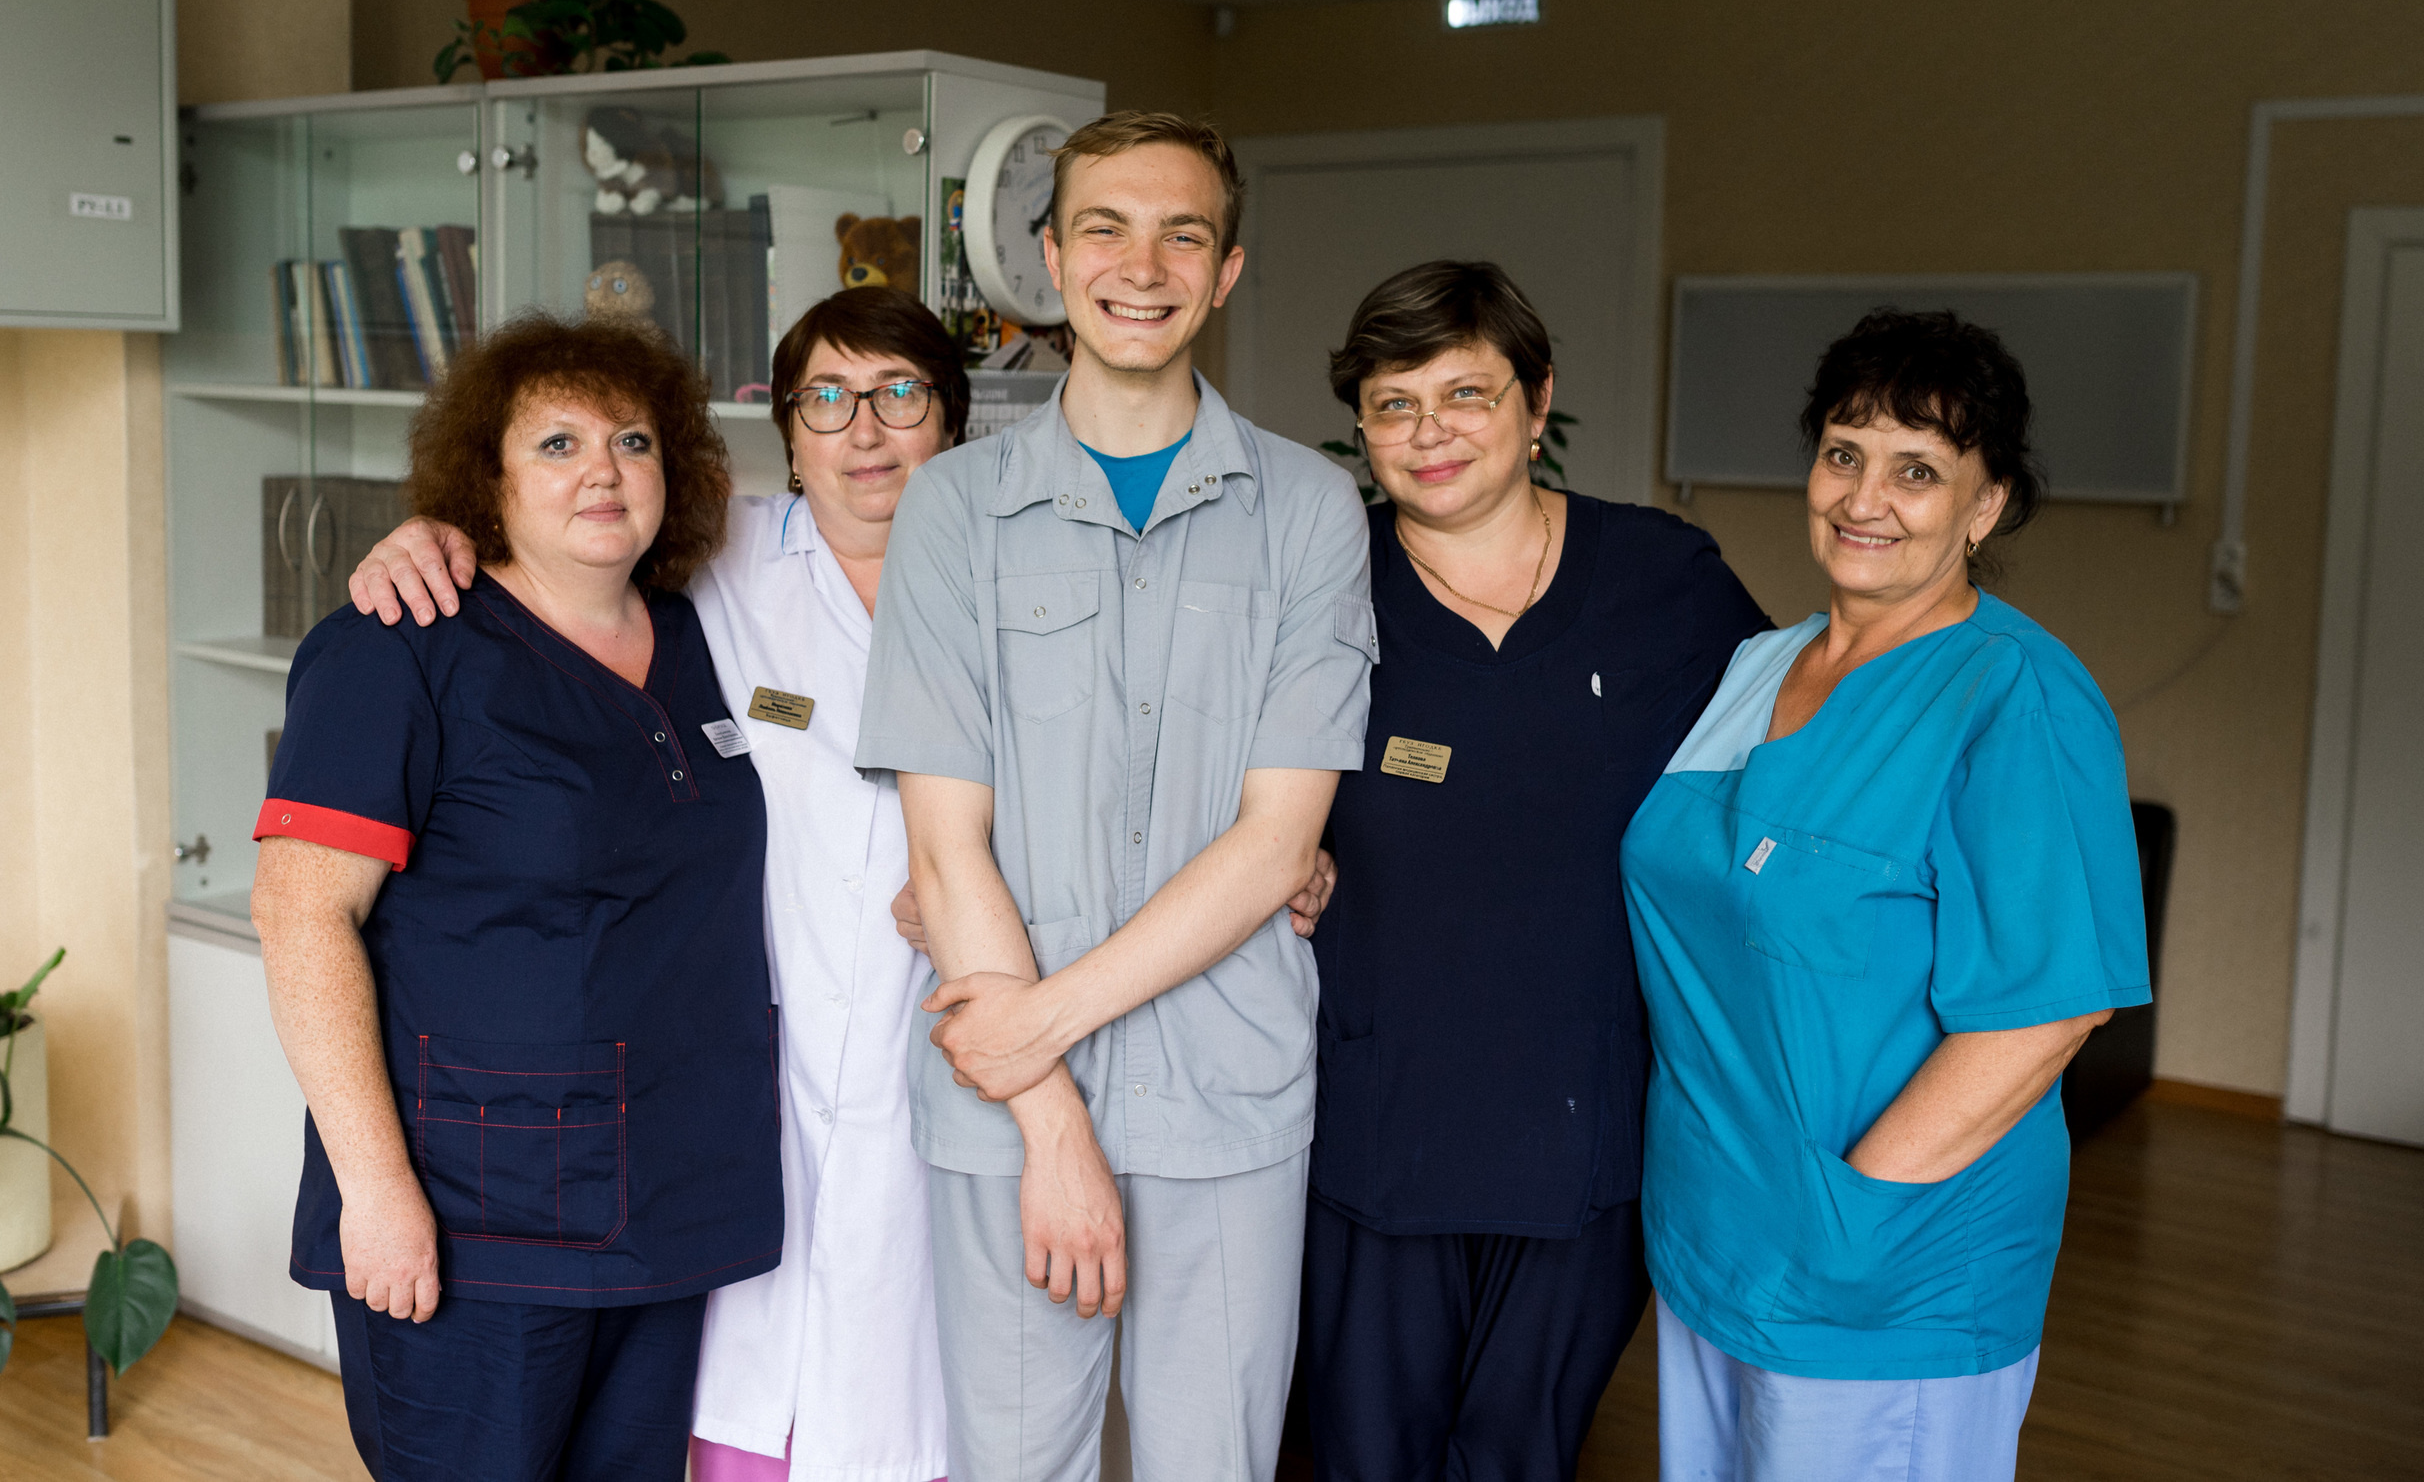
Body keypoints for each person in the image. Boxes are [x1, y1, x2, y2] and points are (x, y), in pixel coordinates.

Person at [345, 285, 974, 1482]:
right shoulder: (723, 558)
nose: (865, 429)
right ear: (784, 428)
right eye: (827, 397)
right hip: (712, 1106)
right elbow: (556, 534)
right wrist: (428, 531)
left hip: (900, 1071)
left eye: (901, 393)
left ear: (951, 417)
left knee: (912, 1404)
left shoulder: (1020, 582)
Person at [855, 110, 1375, 1482]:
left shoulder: (1308, 510)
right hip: (1003, 1113)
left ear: (1226, 270)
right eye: (1105, 228)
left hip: (1227, 1096)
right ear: (1050, 256)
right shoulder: (953, 508)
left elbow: (1278, 841)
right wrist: (1049, 1114)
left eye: (1181, 235)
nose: (1141, 267)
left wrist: (1036, 1024)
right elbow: (945, 848)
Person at [1620, 309, 2153, 1481]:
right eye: (1843, 453)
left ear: (1984, 504)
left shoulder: (2011, 694)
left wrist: (1845, 1217)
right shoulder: (1757, 664)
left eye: (1917, 469)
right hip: (1716, 1233)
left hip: (1882, 1271)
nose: (1865, 497)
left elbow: (2046, 1011)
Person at [250, 314, 780, 1482]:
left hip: (667, 1200)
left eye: (633, 440)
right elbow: (299, 915)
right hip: (473, 1213)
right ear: (483, 478)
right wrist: (375, 1189)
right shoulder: (399, 646)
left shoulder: (703, 634)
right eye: (556, 443)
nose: (604, 471)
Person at [1298, 261, 1769, 1480]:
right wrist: (1280, 857)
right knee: (1366, 1455)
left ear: (1537, 397)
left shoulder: (1664, 579)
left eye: (1465, 392)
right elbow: (1205, 774)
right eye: (1393, 404)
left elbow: (1786, 775)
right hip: (1376, 1117)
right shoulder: (1315, 583)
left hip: (1585, 1124)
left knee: (1523, 1454)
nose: (1429, 432)